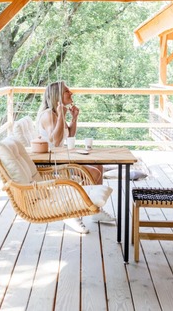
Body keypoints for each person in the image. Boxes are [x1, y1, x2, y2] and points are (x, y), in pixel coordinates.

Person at [36, 81, 115, 233]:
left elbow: (69, 135)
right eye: (67, 91)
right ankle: (73, 213)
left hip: (63, 158)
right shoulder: (49, 115)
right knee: (94, 172)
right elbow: (56, 140)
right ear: (57, 96)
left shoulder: (57, 112)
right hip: (52, 164)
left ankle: (95, 211)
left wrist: (74, 118)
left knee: (99, 167)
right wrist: (60, 116)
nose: (71, 93)